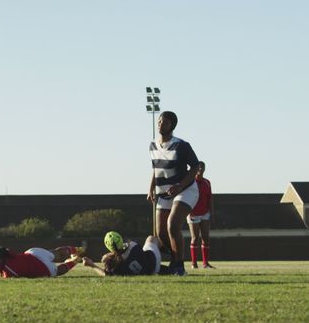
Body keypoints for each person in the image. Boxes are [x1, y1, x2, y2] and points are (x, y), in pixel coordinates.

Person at [148, 111, 200, 276]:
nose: (160, 124)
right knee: (161, 232)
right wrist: (151, 188)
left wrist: (179, 185)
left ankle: (179, 266)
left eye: (165, 122)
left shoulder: (182, 145)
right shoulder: (153, 145)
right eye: (159, 121)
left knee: (173, 224)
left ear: (172, 126)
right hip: (164, 193)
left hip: (185, 190)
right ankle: (174, 260)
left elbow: (195, 167)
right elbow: (156, 169)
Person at [0, 245, 84, 279]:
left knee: (59, 271)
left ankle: (75, 260)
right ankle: (77, 249)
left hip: (41, 267)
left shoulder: (8, 271)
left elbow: (7, 272)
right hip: (33, 253)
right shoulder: (6, 254)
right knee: (56, 253)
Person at [82, 235, 161, 276]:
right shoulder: (133, 245)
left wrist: (91, 265)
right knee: (151, 238)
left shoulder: (113, 264)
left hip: (150, 271)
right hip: (153, 266)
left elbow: (106, 274)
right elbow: (124, 248)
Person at [187, 161, 215, 269]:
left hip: (205, 213)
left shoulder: (207, 182)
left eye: (202, 168)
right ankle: (194, 264)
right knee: (195, 238)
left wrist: (212, 212)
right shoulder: (190, 182)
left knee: (206, 238)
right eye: (198, 168)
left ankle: (205, 263)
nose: (200, 170)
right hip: (193, 213)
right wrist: (188, 211)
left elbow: (210, 198)